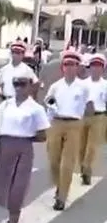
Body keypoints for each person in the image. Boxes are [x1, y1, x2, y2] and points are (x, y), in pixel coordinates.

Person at [0, 67, 49, 223]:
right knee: (3, 188)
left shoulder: (36, 109)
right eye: (15, 84)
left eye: (22, 84)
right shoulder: (5, 105)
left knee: (18, 189)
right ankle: (11, 217)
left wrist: (25, 137)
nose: (18, 88)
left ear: (30, 86)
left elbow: (42, 135)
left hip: (23, 148)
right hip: (4, 146)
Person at [44, 50, 92, 210]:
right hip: (56, 123)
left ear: (78, 67)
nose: (69, 67)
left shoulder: (83, 87)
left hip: (74, 124)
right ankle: (59, 185)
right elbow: (48, 102)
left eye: (73, 64)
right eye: (66, 64)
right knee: (53, 161)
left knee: (67, 162)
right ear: (62, 67)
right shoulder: (55, 86)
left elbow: (89, 106)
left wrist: (89, 119)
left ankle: (62, 196)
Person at [80, 53, 107, 185]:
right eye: (94, 66)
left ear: (103, 69)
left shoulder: (105, 85)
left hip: (98, 117)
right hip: (83, 117)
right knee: (81, 146)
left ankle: (87, 168)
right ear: (90, 68)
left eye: (99, 66)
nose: (96, 69)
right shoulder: (82, 84)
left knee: (92, 146)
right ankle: (83, 166)